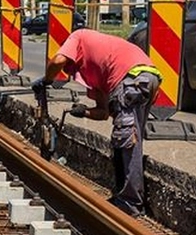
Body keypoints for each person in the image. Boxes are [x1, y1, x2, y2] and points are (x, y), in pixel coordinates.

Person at [32, 28, 161, 217]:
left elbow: (58, 61)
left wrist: (46, 80)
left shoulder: (78, 36)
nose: (69, 71)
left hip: (131, 80)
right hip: (148, 78)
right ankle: (126, 197)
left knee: (126, 142)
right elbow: (104, 113)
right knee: (131, 137)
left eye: (70, 68)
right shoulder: (98, 70)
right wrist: (83, 111)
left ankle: (130, 203)